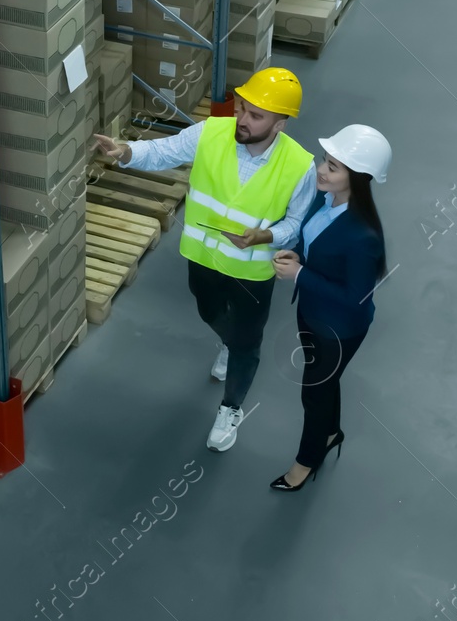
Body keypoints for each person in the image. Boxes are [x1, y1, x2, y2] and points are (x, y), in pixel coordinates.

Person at [93, 68, 317, 452]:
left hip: (251, 273)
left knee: (248, 343)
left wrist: (265, 236)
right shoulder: (211, 132)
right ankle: (229, 342)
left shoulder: (300, 167)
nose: (243, 120)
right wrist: (127, 152)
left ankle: (231, 407)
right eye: (242, 108)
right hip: (203, 257)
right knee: (209, 311)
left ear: (281, 123)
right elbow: (164, 151)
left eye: (256, 116)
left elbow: (295, 223)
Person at [269, 124, 391, 491]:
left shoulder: (362, 236)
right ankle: (331, 433)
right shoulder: (327, 201)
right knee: (324, 381)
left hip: (339, 328)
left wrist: (300, 273)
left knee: (314, 391)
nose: (322, 169)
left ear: (358, 177)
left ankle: (306, 462)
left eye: (334, 167)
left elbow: (356, 297)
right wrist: (301, 256)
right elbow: (318, 247)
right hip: (312, 314)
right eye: (326, 161)